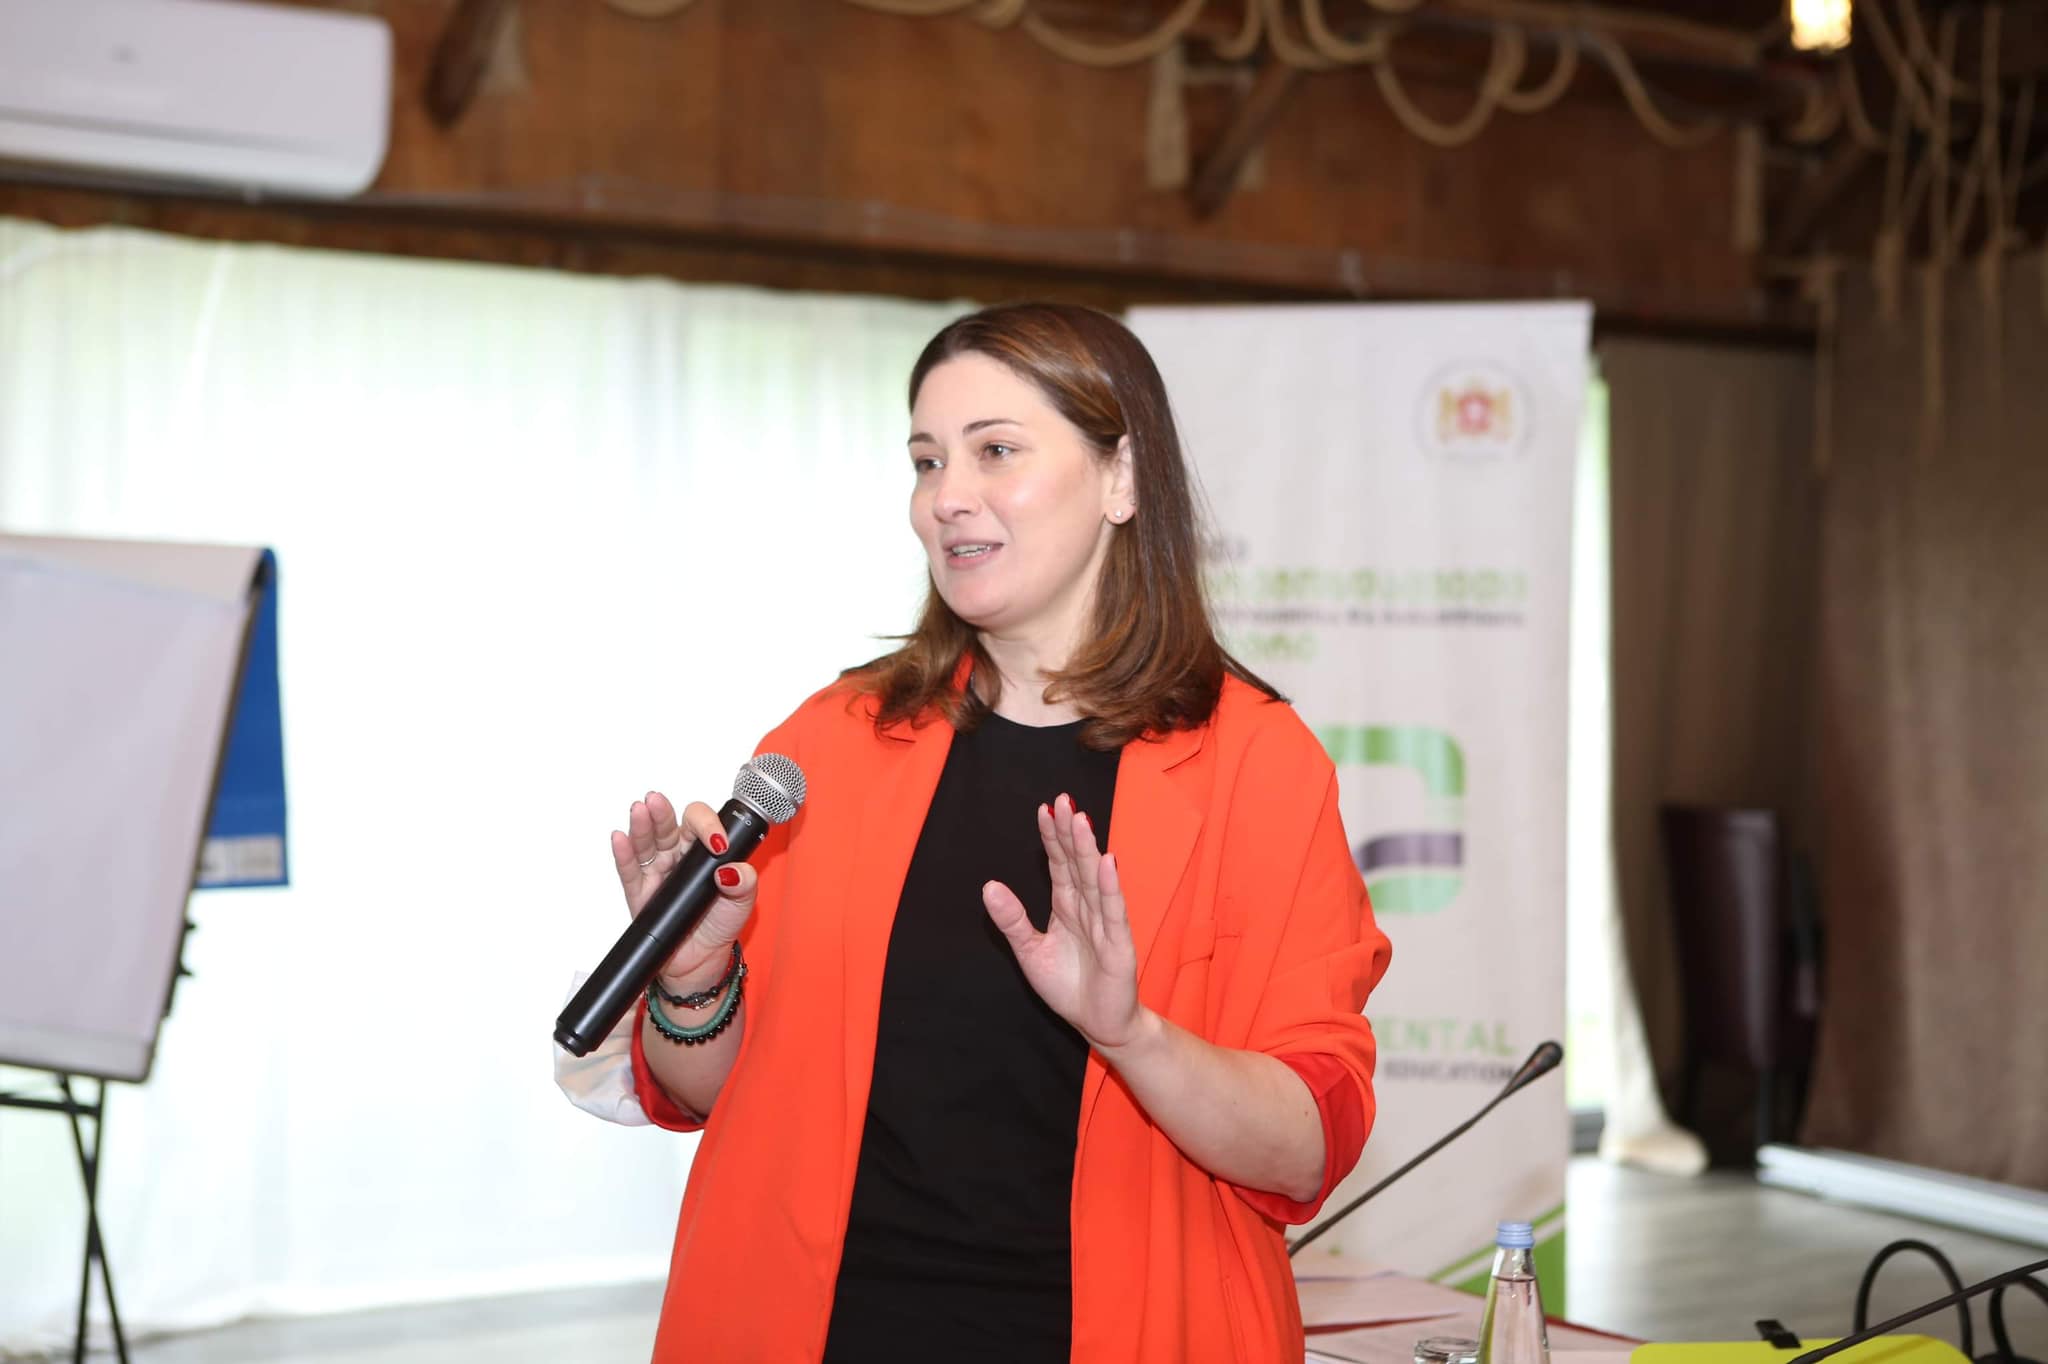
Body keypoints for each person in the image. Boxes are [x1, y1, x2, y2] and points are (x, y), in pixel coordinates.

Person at [602, 302, 1390, 1362]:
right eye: (926, 461)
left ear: (1121, 478)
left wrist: (1133, 1035)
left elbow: (1305, 1147)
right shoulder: (830, 742)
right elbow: (714, 1095)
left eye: (995, 451)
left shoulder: (1256, 762)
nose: (946, 497)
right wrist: (693, 981)